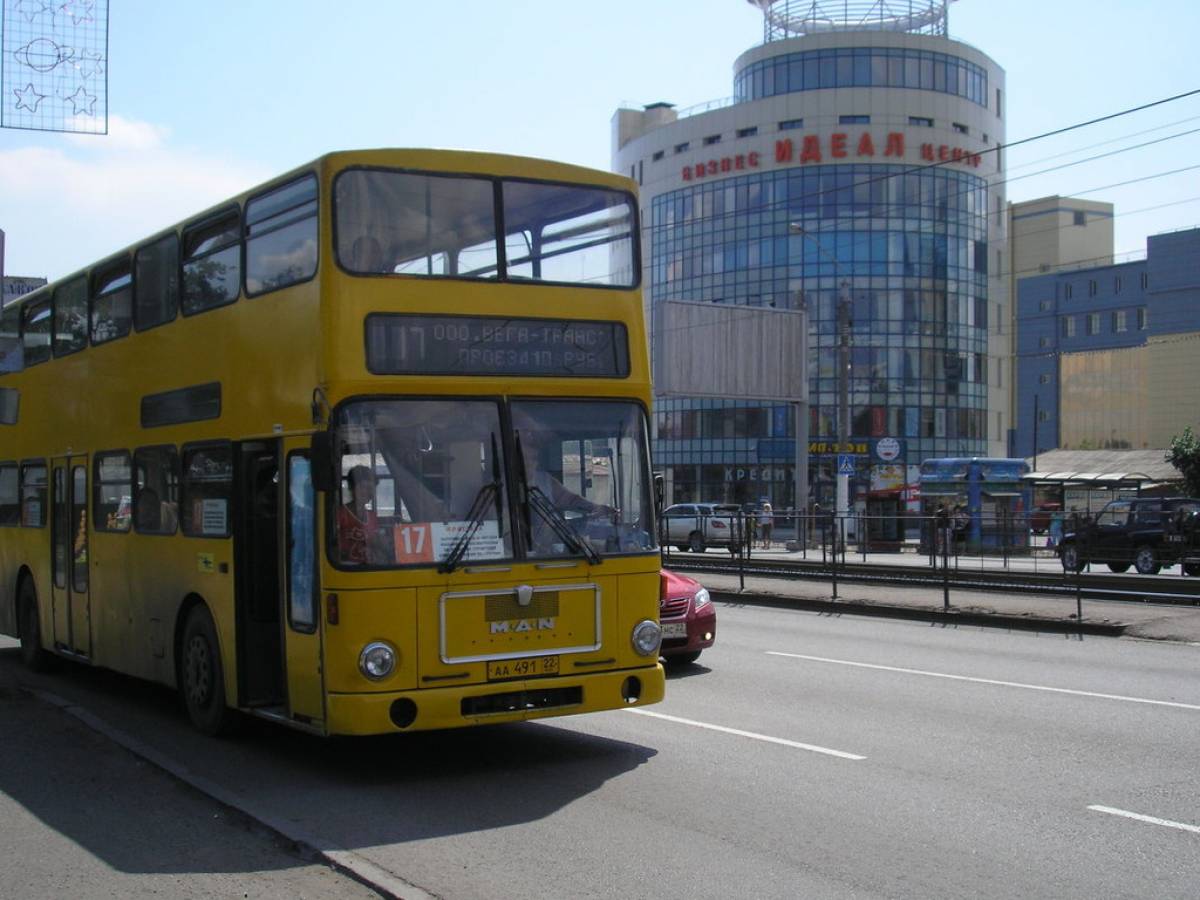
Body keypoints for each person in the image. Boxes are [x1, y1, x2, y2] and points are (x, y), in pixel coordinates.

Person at [337, 465, 389, 564]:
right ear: (351, 487)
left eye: (371, 488)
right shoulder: (340, 514)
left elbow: (377, 544)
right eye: (363, 487)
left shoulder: (372, 516)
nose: (367, 492)